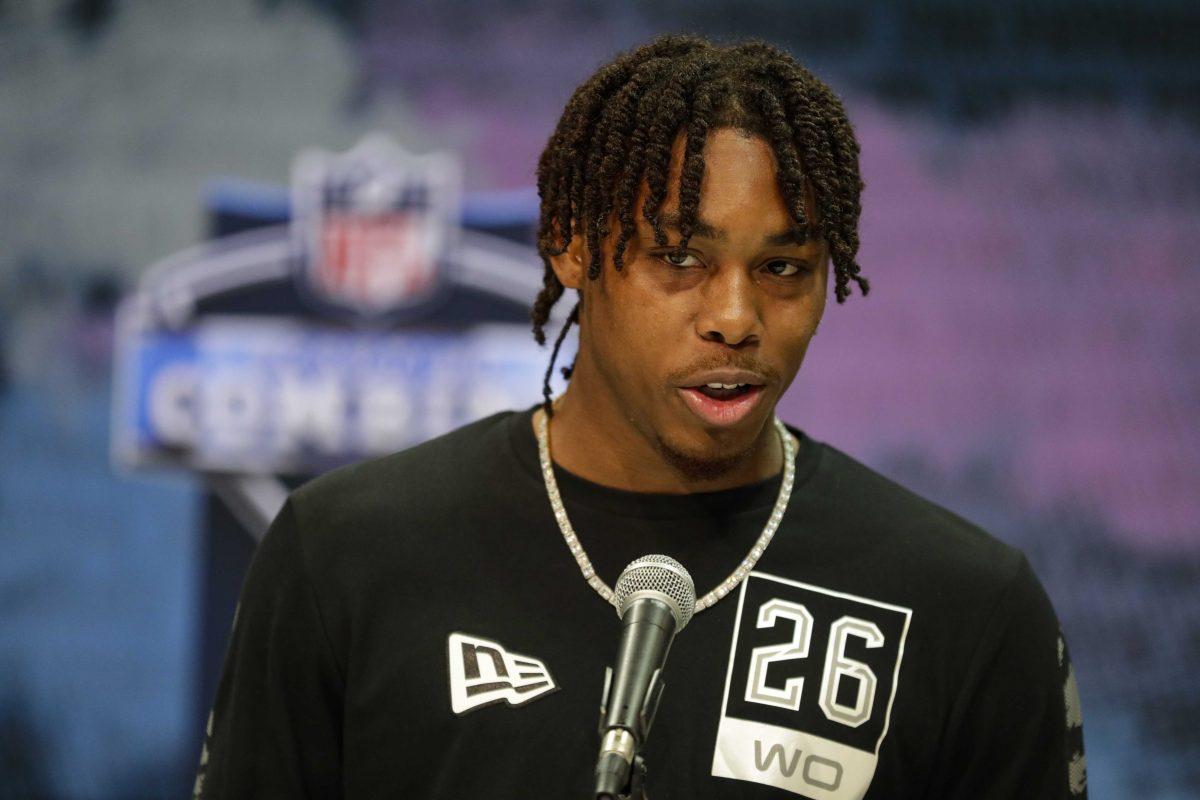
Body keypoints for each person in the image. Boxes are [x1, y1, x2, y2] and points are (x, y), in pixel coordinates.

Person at [193, 33, 1087, 799]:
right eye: (680, 256)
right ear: (570, 244)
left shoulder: (964, 606)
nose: (735, 317)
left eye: (783, 268)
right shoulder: (346, 553)